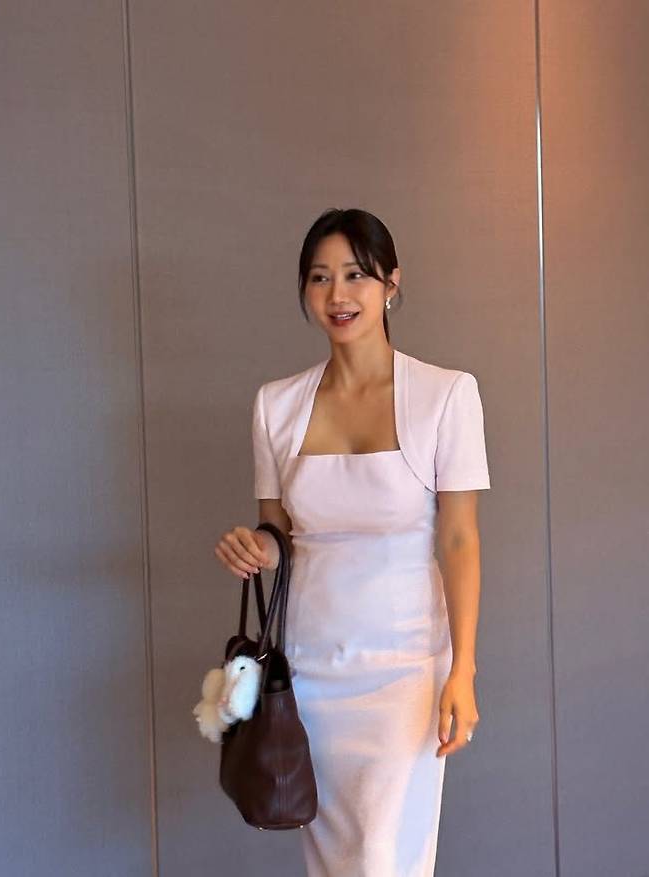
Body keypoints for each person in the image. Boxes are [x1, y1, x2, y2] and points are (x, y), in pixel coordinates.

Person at [214, 207, 491, 876]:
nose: (338, 294)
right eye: (320, 277)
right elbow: (280, 531)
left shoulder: (446, 395)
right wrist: (256, 546)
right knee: (337, 861)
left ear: (391, 284)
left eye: (355, 275)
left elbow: (459, 539)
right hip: (310, 671)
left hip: (406, 669)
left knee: (381, 857)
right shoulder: (276, 405)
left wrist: (464, 670)